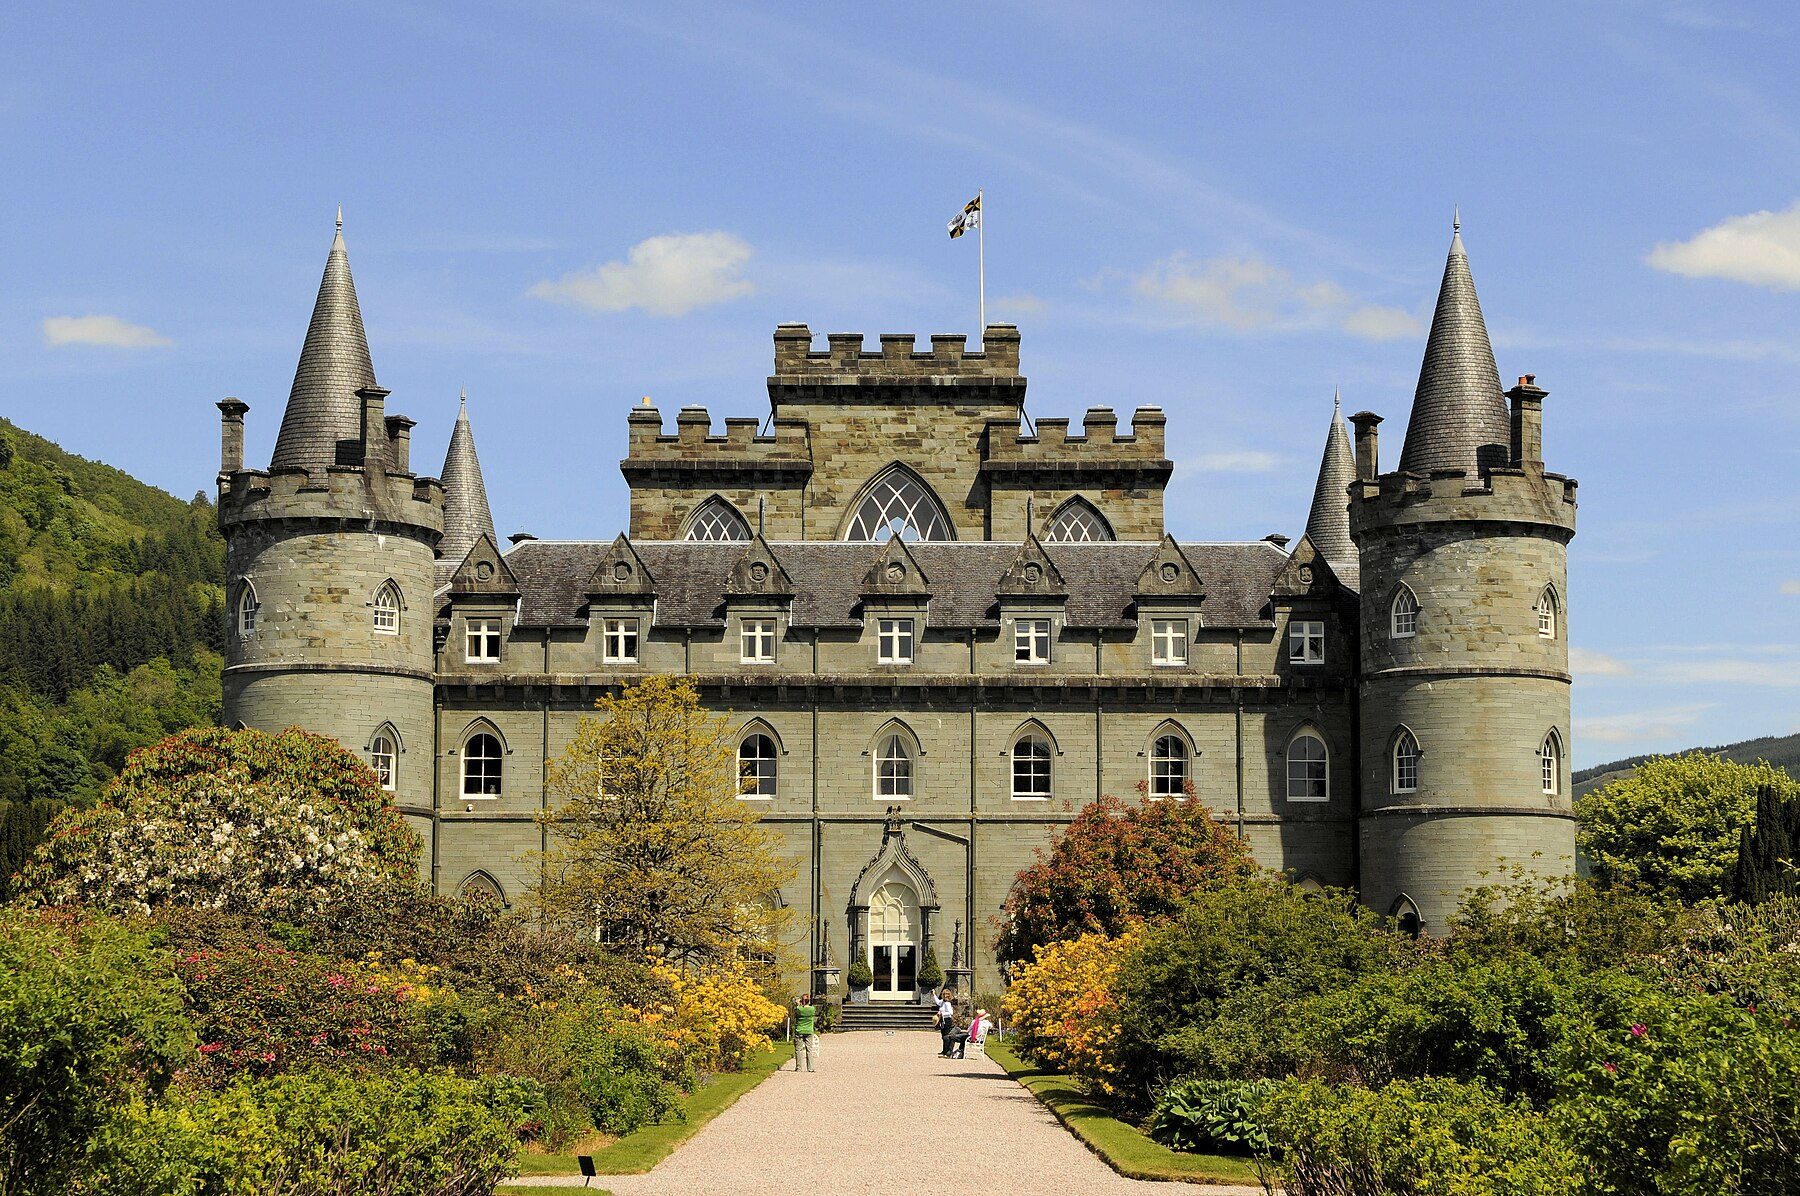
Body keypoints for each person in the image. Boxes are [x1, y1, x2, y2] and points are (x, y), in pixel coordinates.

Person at [792, 994, 819, 1073]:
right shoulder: (812, 1009)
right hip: (809, 1031)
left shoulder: (799, 1009)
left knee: (798, 1050)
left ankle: (799, 1067)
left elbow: (796, 1012)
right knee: (809, 1049)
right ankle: (810, 1068)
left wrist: (798, 1004)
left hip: (799, 1030)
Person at [936, 988, 957, 1058]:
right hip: (943, 1020)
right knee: (943, 1035)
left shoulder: (947, 1003)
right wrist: (933, 995)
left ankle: (947, 1050)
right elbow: (938, 1002)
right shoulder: (943, 1002)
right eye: (944, 994)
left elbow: (951, 1013)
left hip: (947, 1020)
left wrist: (942, 1013)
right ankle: (944, 1050)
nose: (945, 996)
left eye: (946, 994)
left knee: (946, 1036)